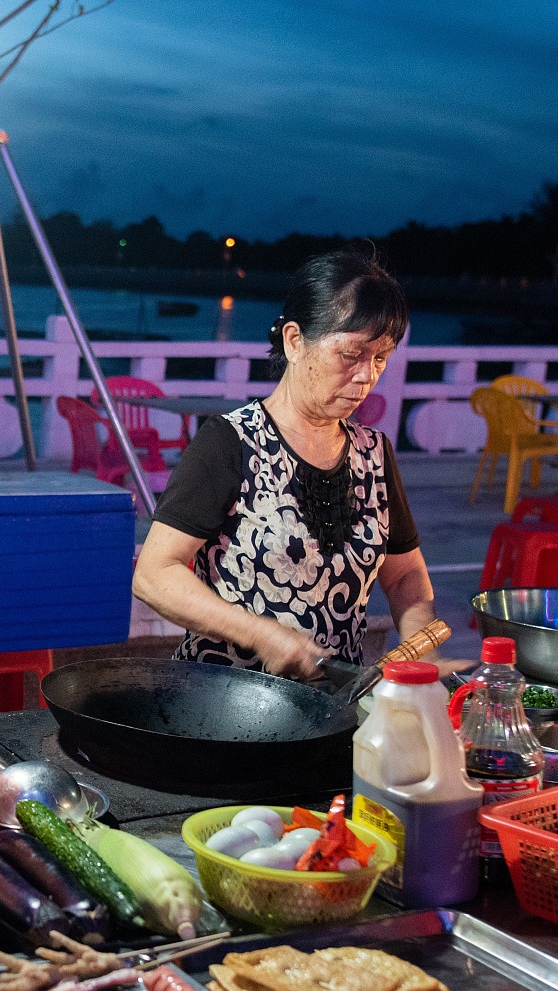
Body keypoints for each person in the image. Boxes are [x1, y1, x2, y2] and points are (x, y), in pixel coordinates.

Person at [132, 247, 453, 679]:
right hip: (224, 693)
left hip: (336, 699)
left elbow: (404, 574)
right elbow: (154, 574)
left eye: (381, 358)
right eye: (351, 355)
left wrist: (421, 647)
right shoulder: (231, 442)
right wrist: (262, 635)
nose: (368, 376)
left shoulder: (374, 452)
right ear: (295, 341)